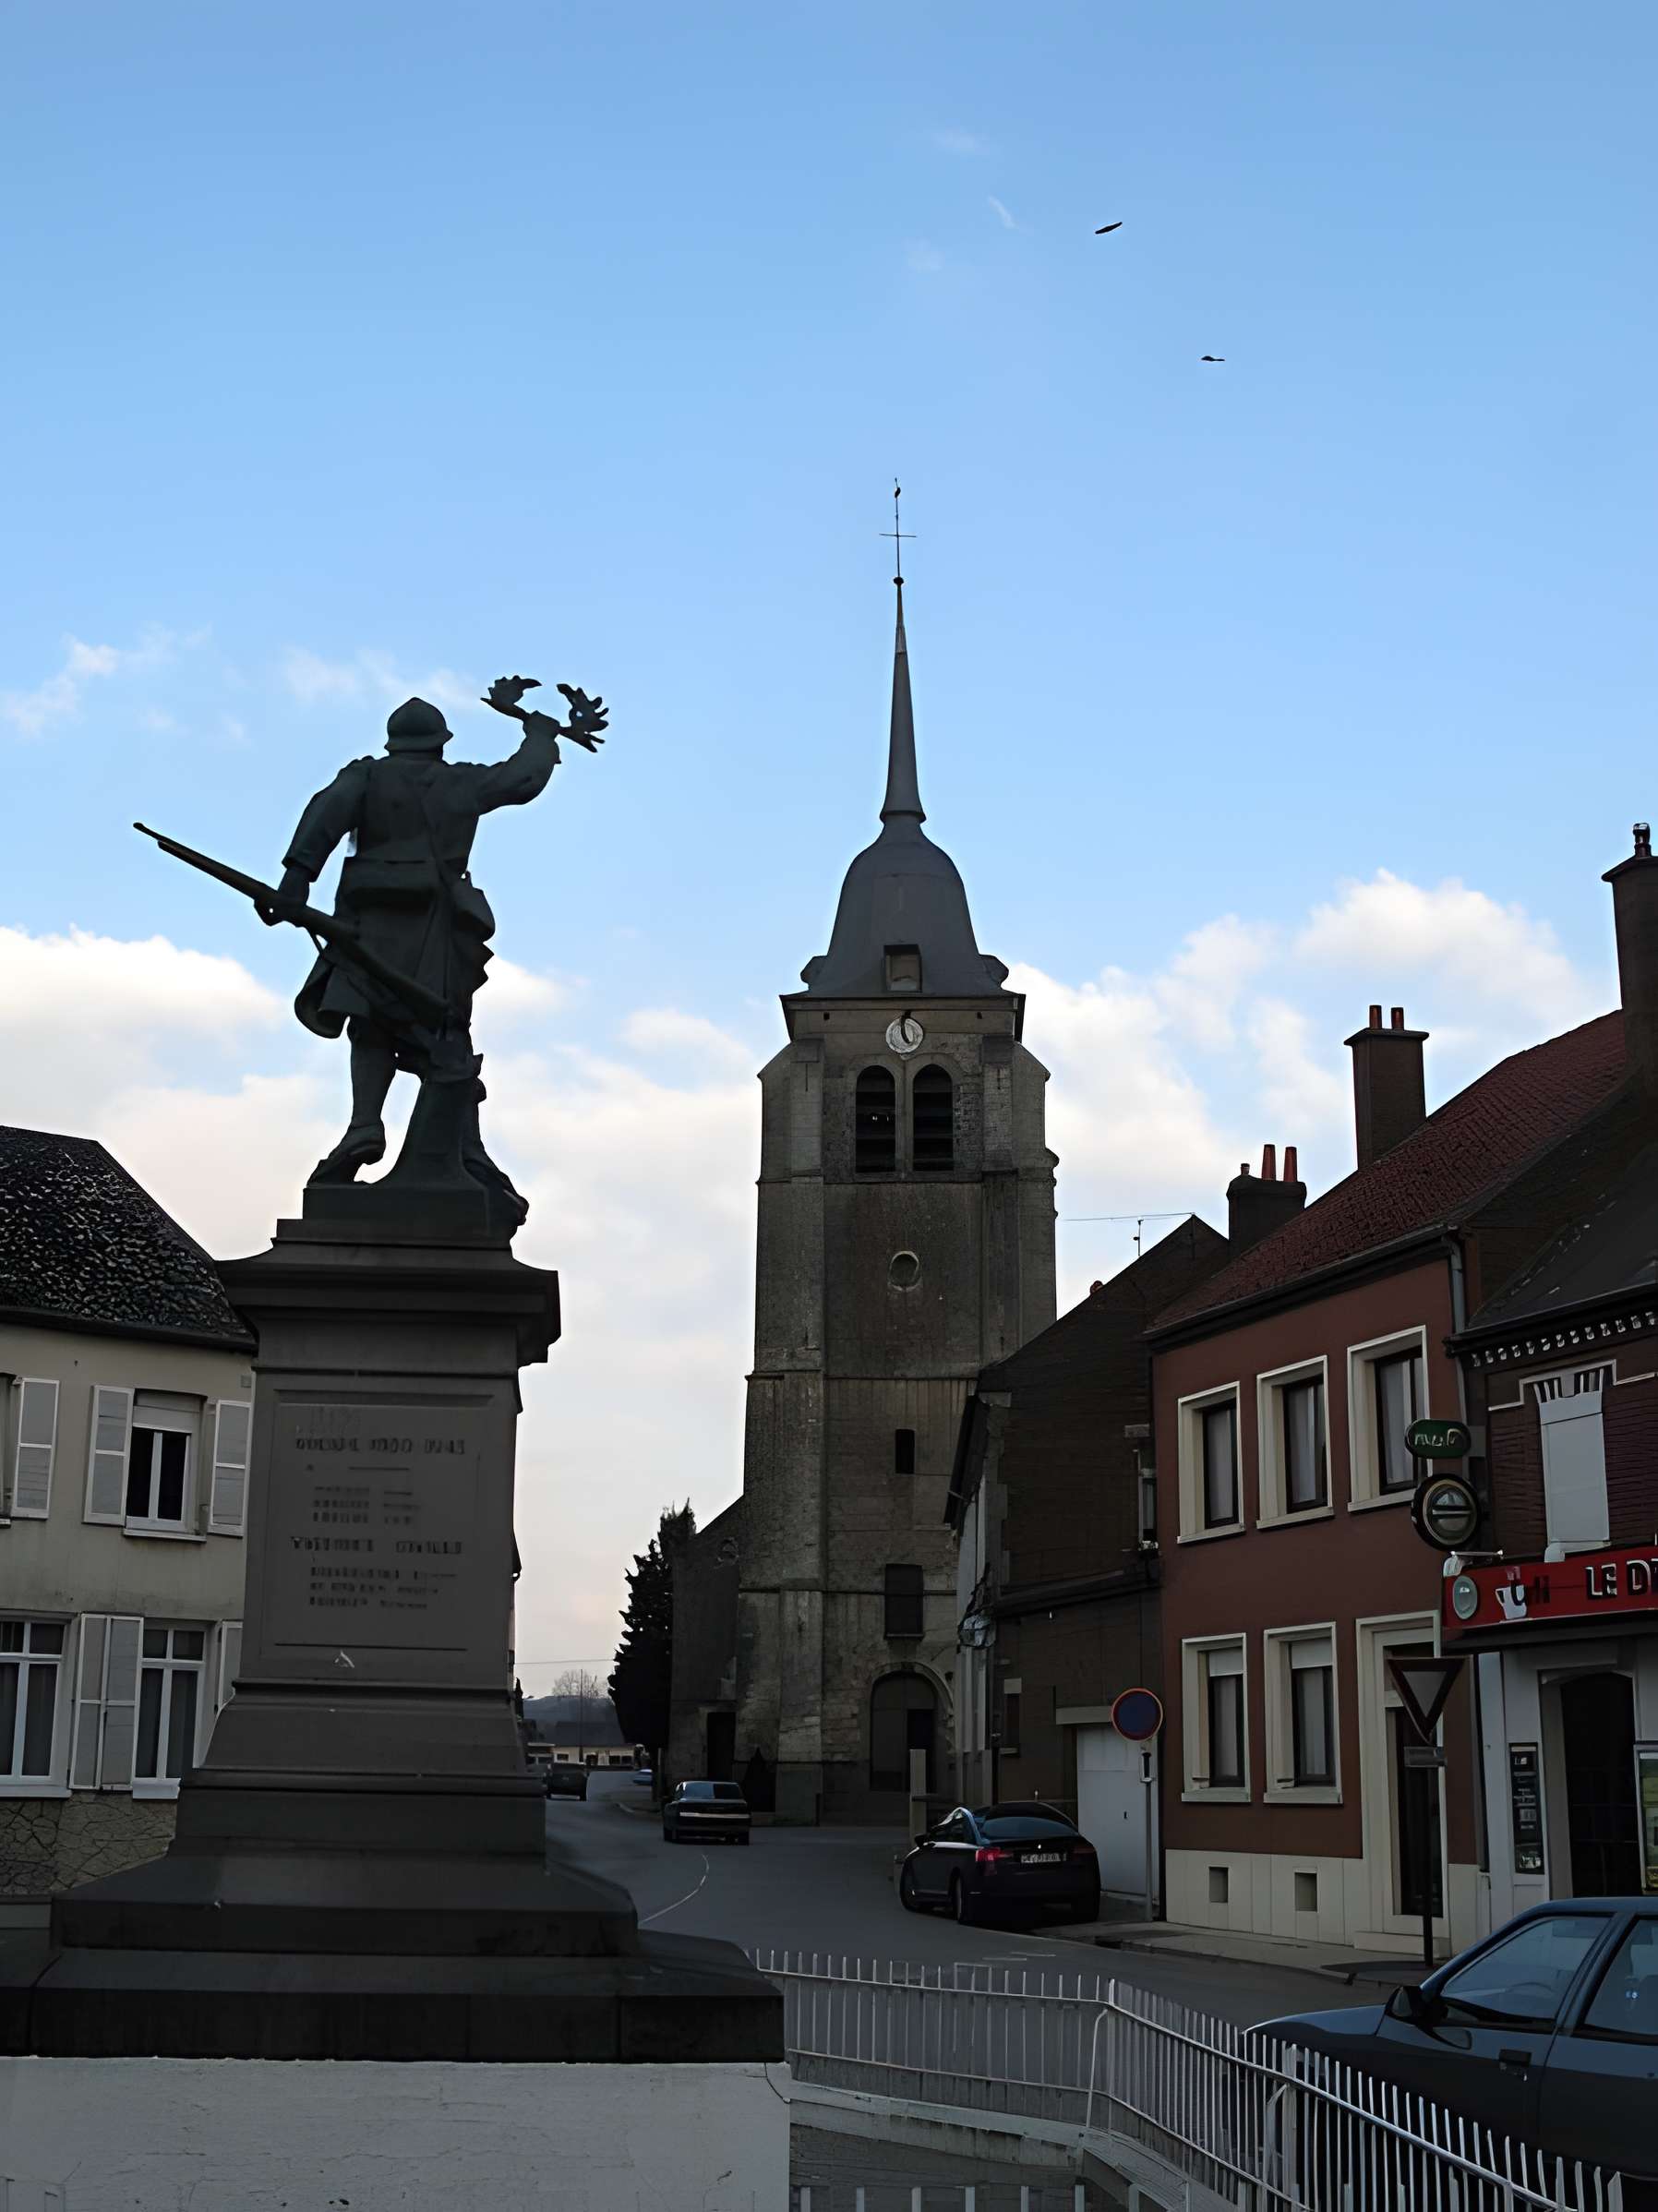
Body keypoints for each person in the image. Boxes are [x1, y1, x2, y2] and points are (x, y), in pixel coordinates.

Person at [264, 692, 566, 1206]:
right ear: (440, 743)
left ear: (393, 742)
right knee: (441, 1030)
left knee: (370, 1018)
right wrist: (539, 736)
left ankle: (368, 1123)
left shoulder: (366, 776)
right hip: (436, 925)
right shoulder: (461, 781)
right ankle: (417, 1140)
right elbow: (521, 779)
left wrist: (297, 877)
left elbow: (326, 812)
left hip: (371, 917)